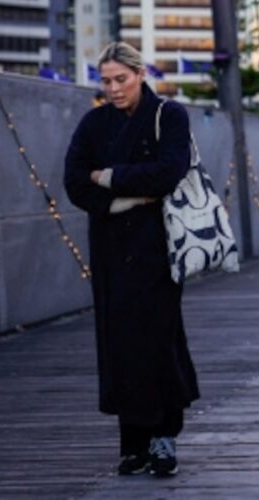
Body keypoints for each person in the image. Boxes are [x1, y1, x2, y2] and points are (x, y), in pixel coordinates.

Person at [64, 41, 199, 479]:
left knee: (159, 339)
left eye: (121, 79)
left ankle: (164, 437)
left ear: (141, 74)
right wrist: (125, 198)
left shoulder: (169, 115)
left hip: (159, 246)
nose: (114, 88)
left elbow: (169, 171)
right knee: (119, 342)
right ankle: (133, 443)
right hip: (110, 245)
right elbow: (74, 183)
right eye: (106, 81)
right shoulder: (93, 122)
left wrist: (110, 177)